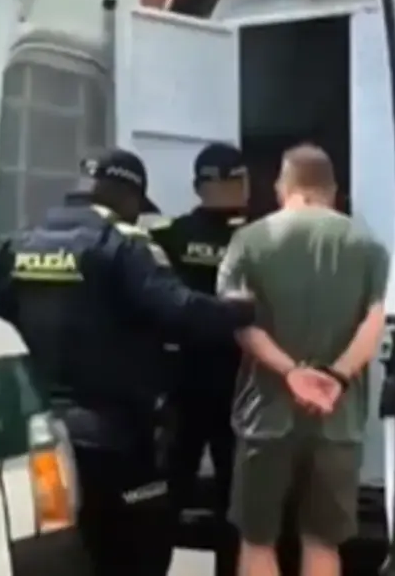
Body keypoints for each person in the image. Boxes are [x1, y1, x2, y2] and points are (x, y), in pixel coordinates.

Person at [0, 147, 269, 576]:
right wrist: (242, 310)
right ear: (129, 194)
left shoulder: (20, 241)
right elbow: (178, 311)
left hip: (43, 431)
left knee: (59, 549)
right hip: (114, 434)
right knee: (134, 548)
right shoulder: (121, 242)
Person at [216, 144, 391, 576]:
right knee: (322, 543)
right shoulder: (368, 245)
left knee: (258, 541)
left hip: (266, 414)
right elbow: (375, 323)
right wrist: (337, 376)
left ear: (284, 185)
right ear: (332, 190)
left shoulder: (249, 240)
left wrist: (291, 372)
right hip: (337, 416)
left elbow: (240, 322)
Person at [151, 143, 248, 576]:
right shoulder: (256, 238)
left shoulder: (168, 236)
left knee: (172, 492)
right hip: (232, 383)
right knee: (232, 497)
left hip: (187, 381)